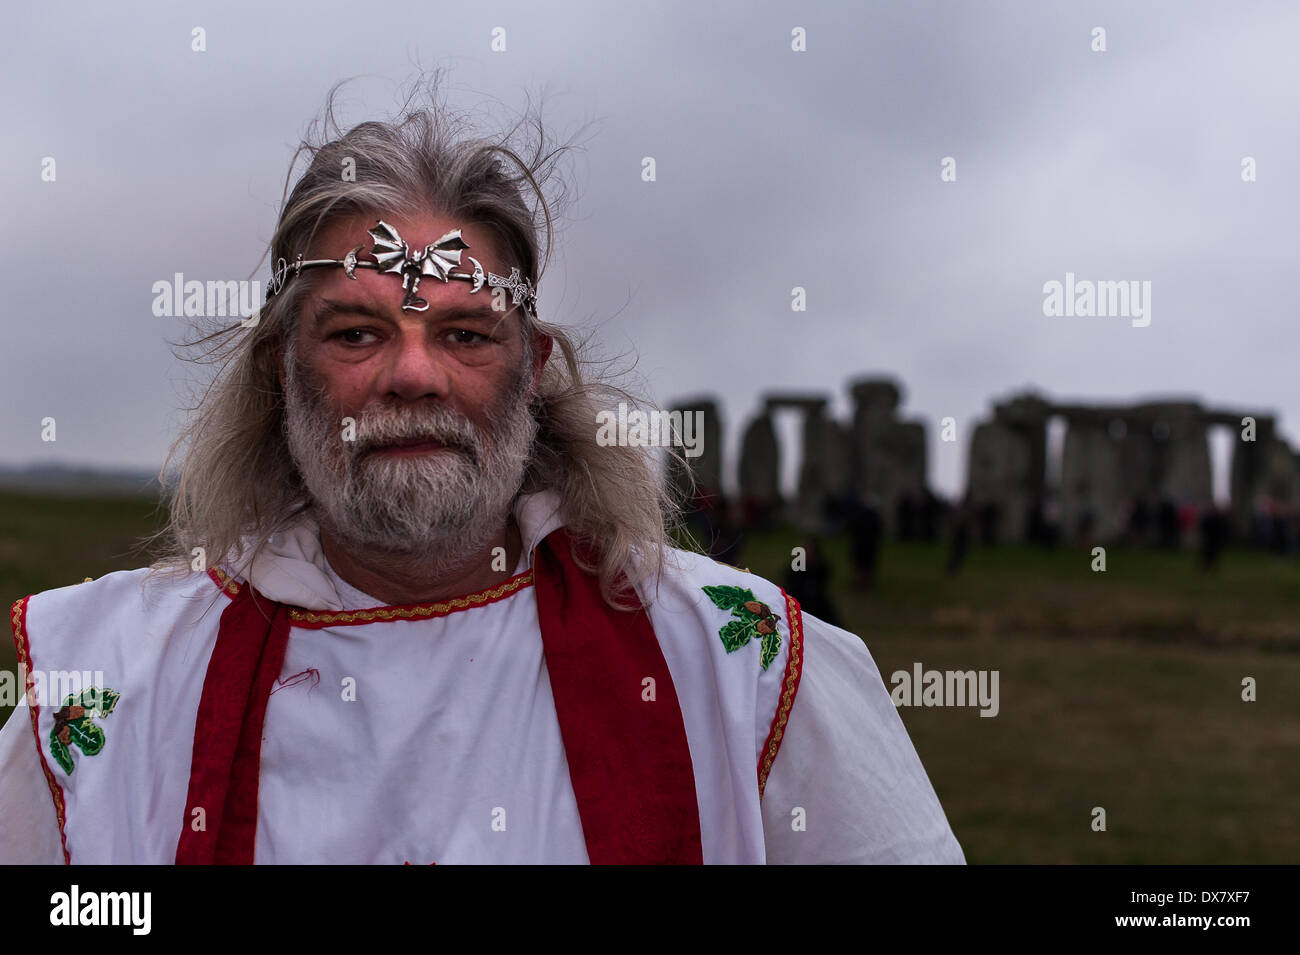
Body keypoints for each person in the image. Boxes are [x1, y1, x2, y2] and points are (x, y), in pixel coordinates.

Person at [0, 79, 964, 865]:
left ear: (533, 371)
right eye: (355, 332)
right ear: (279, 371)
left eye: (465, 333)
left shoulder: (743, 670)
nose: (413, 374)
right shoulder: (105, 685)